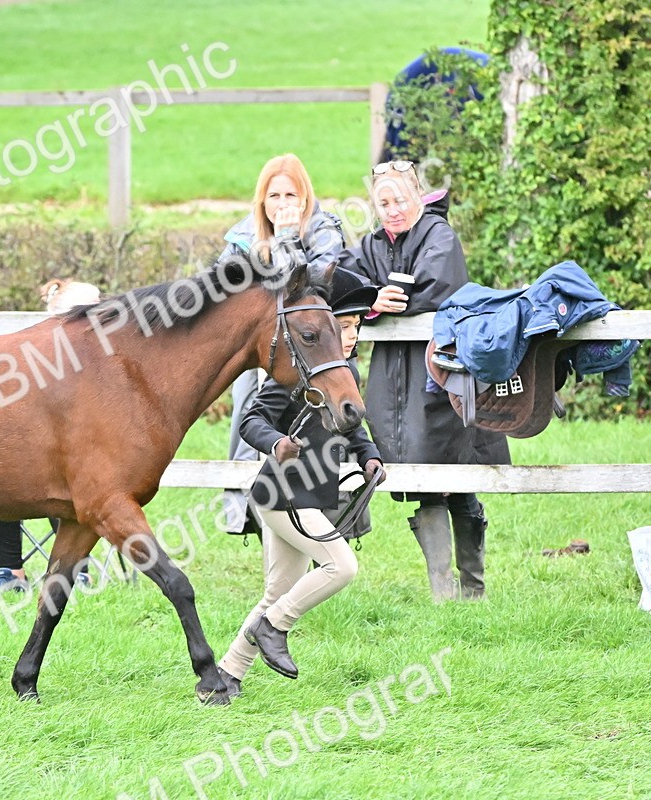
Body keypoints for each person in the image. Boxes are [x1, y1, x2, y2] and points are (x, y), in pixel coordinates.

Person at [338, 161, 509, 601]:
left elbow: (435, 289)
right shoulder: (371, 244)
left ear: (419, 195)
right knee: (418, 473)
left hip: (442, 373)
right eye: (384, 202)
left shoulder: (439, 236)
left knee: (455, 471)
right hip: (392, 377)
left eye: (400, 199)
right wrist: (373, 300)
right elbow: (343, 281)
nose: (393, 209)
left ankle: (475, 589)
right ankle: (443, 593)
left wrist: (392, 298)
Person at [216, 269, 385, 694]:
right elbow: (252, 420)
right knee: (341, 566)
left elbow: (353, 427)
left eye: (355, 328)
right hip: (282, 496)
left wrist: (370, 457)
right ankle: (274, 628)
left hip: (311, 495)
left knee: (278, 590)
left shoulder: (345, 373)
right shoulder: (294, 374)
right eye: (343, 328)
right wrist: (275, 444)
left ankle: (225, 676)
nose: (350, 336)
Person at [218, 153, 346, 534]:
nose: (283, 204)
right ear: (262, 200)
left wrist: (288, 240)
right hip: (255, 349)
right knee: (249, 416)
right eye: (274, 196)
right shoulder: (244, 236)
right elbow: (222, 290)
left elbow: (311, 288)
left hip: (307, 350)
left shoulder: (324, 231)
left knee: (309, 428)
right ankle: (247, 514)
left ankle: (313, 517)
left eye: (291, 195)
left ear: (304, 197)